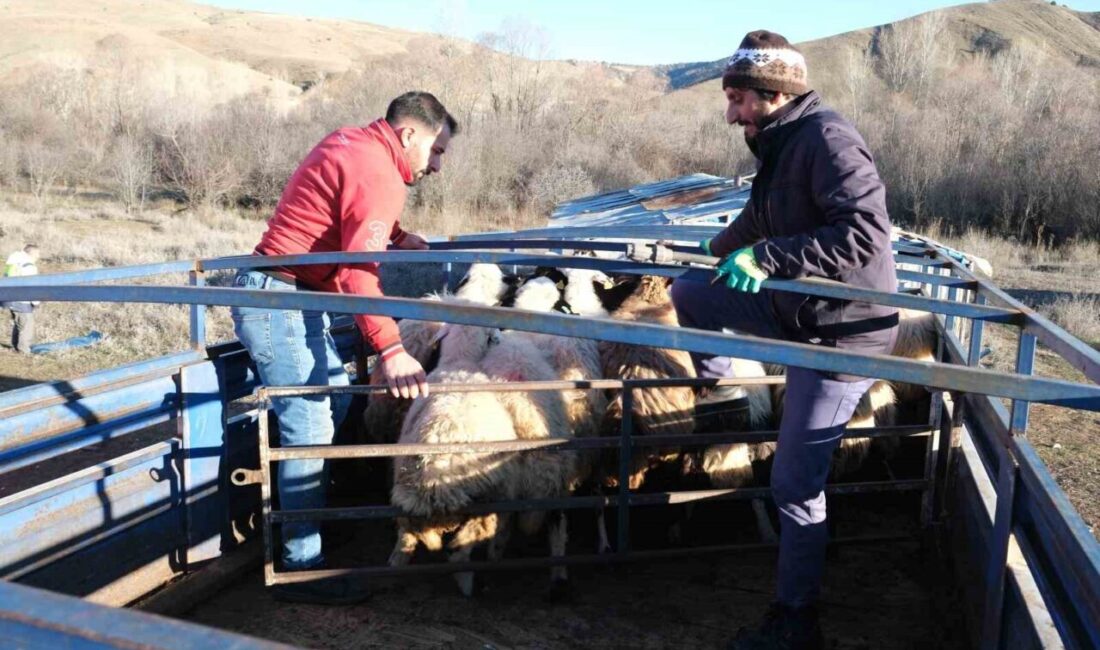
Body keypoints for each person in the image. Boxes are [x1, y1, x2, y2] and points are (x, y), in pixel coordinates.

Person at [668, 31, 898, 650]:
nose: (729, 112)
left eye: (736, 97)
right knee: (690, 292)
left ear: (772, 94)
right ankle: (724, 400)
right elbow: (758, 218)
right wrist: (712, 252)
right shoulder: (777, 143)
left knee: (795, 484)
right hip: (801, 308)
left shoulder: (827, 139)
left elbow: (865, 236)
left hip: (842, 331)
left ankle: (797, 619)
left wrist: (767, 257)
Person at [231, 91, 456, 604]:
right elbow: (357, 272)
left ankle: (305, 527)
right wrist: (392, 349)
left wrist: (396, 235)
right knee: (308, 424)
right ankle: (301, 567)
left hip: (290, 293)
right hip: (278, 298)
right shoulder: (379, 169)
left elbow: (345, 211)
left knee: (331, 401)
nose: (436, 165)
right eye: (437, 151)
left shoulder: (354, 144)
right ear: (409, 136)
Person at [2, 244, 41, 354]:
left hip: (9, 297)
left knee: (19, 323)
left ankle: (15, 345)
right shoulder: (29, 266)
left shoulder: (14, 262)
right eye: (38, 254)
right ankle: (23, 350)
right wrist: (36, 302)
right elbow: (32, 286)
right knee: (27, 325)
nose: (39, 256)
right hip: (22, 299)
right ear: (32, 253)